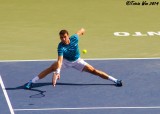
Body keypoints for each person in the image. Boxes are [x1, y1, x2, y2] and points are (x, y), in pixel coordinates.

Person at [25, 28, 122, 89]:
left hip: (77, 61)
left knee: (94, 70)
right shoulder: (60, 47)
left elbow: (82, 30)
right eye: (61, 37)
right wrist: (58, 72)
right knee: (51, 68)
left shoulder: (75, 38)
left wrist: (83, 31)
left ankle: (115, 80)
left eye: (64, 37)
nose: (63, 39)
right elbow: (60, 60)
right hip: (66, 62)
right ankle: (31, 82)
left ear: (68, 36)